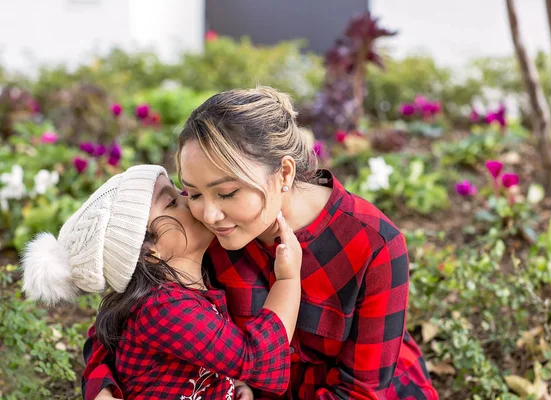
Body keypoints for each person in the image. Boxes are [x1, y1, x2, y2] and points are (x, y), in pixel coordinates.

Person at [85, 87, 438, 399]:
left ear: (284, 173)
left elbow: (361, 391)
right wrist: (101, 388)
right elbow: (121, 320)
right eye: (191, 192)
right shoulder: (199, 233)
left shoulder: (373, 244)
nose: (208, 213)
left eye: (227, 192)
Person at [21, 164, 303, 400]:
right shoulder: (165, 307)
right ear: (146, 250)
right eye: (172, 201)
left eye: (183, 192)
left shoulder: (182, 288)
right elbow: (260, 361)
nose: (190, 201)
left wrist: (229, 384)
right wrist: (288, 279)